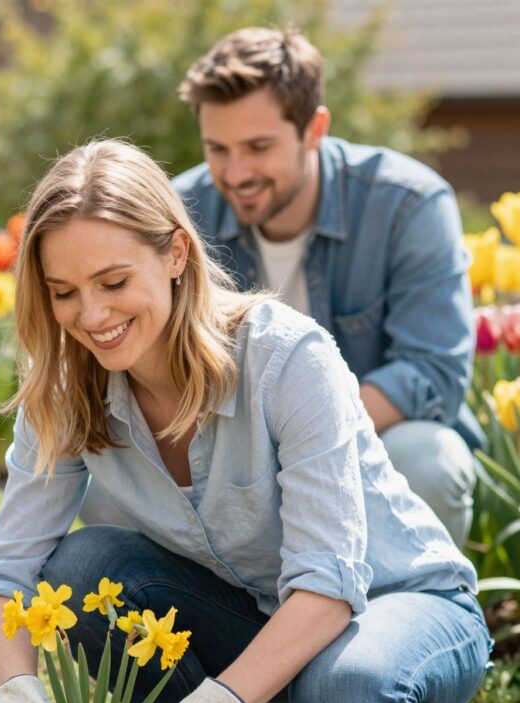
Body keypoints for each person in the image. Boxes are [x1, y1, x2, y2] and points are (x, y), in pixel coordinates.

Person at [0, 139, 490, 703]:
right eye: (64, 292)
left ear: (176, 254)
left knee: (347, 698)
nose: (92, 315)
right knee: (79, 577)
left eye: (114, 281)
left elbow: (328, 585)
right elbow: (8, 572)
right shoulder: (66, 385)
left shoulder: (285, 358)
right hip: (259, 612)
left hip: (394, 604)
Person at [168, 26, 480, 548]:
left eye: (258, 147)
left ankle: (410, 594)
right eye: (217, 149)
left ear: (314, 129)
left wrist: (303, 442)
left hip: (369, 443)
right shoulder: (182, 215)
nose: (235, 173)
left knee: (429, 460)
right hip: (233, 466)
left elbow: (433, 372)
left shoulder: (408, 205)